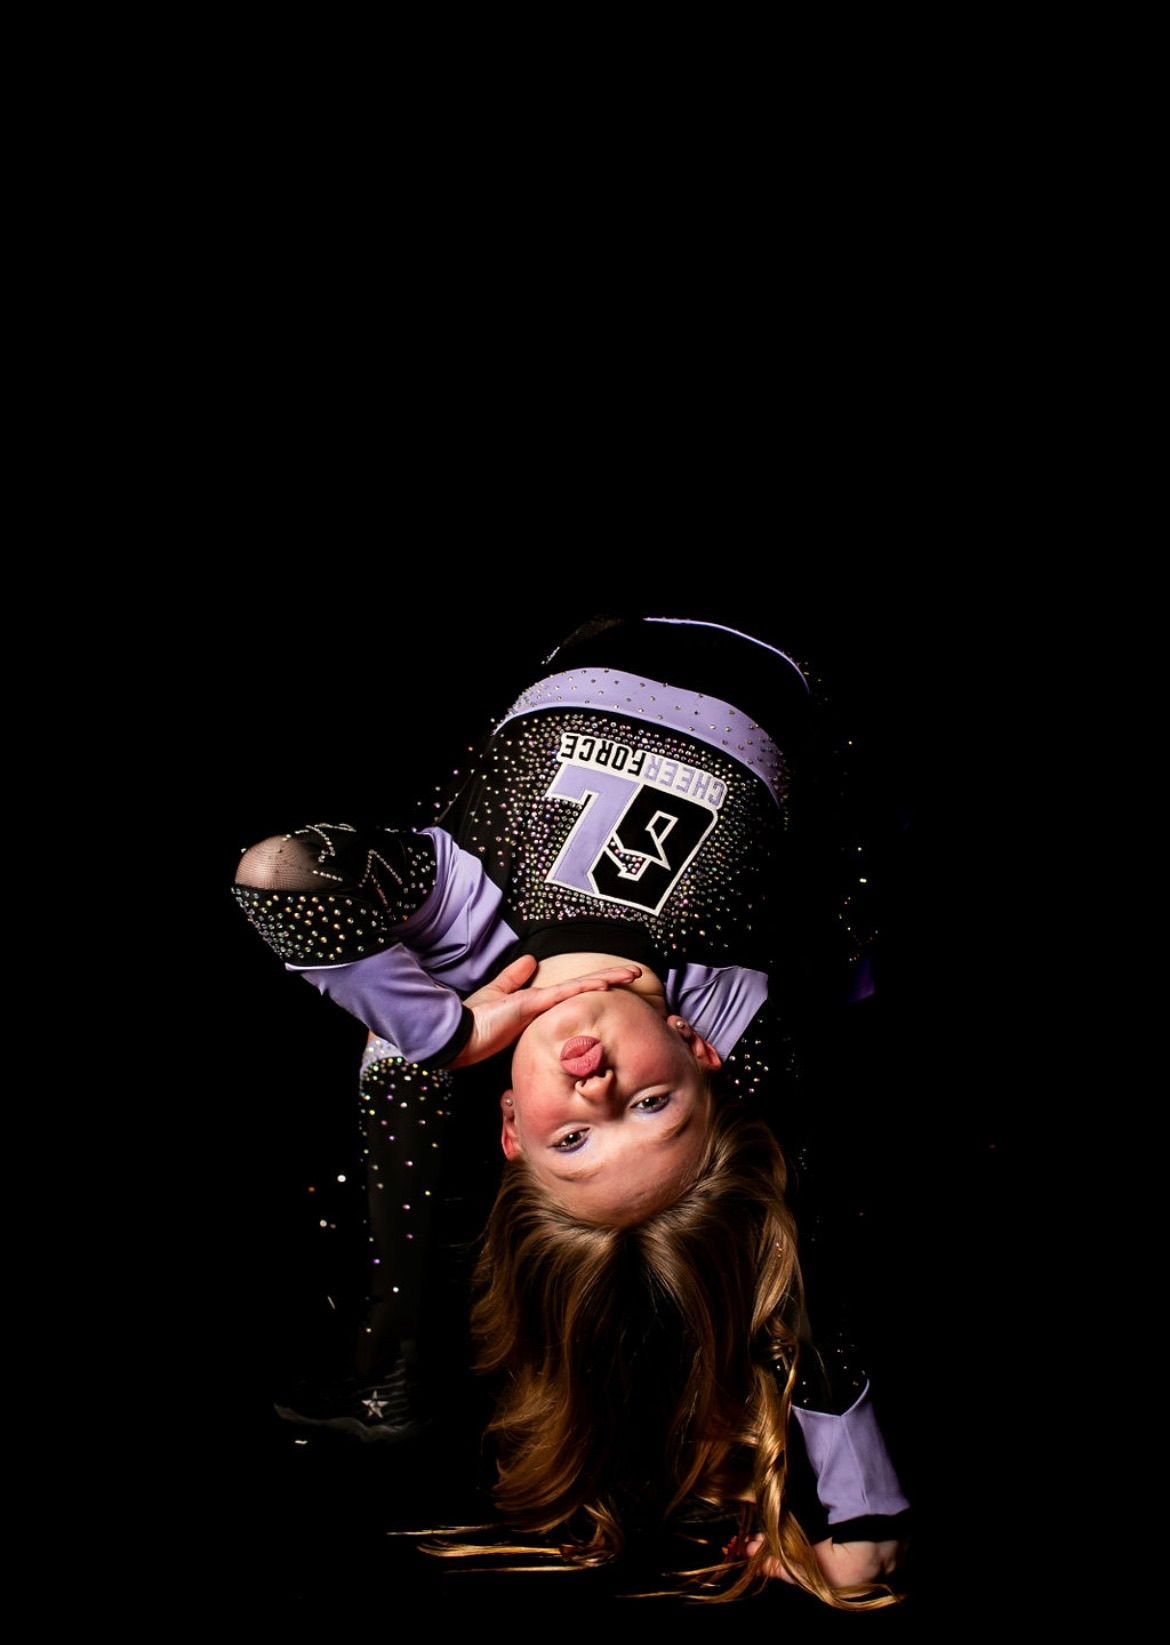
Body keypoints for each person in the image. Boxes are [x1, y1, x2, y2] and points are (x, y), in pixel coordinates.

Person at [231, 612, 913, 1605]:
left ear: (509, 1124)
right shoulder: (731, 1007)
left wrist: (443, 1030)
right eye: (651, 1104)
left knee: (396, 1056)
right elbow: (791, 1277)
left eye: (573, 1136)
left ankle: (394, 1354)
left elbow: (275, 872)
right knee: (840, 980)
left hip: (598, 637)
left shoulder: (464, 923)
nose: (597, 1087)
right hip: (787, 670)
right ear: (696, 1050)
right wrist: (870, 1519)